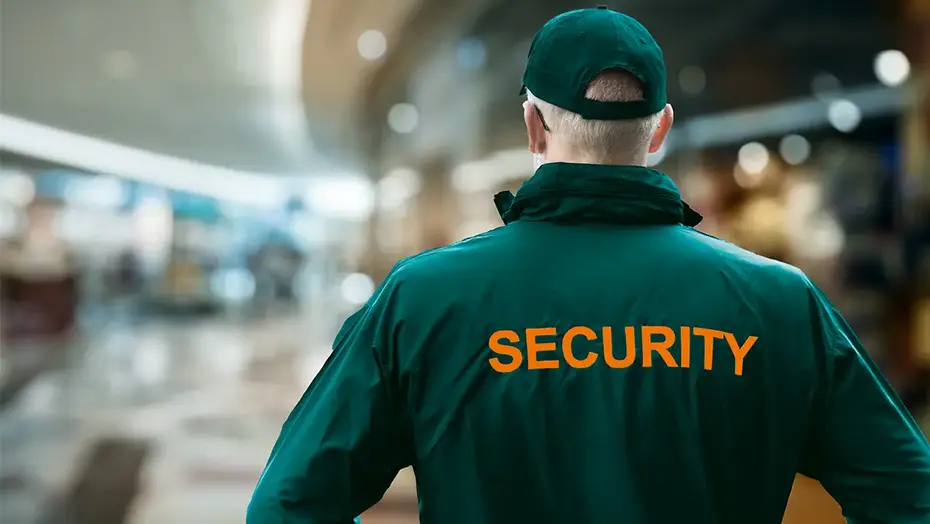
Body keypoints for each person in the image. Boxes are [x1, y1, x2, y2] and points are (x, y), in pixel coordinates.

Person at [247, 6, 930, 524]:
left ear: (533, 126)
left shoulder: (423, 301)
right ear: (659, 130)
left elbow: (287, 504)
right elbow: (909, 495)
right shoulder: (779, 303)